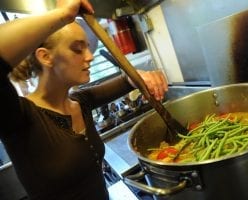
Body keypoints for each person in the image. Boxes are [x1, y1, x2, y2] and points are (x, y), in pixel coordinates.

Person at [0, 0, 168, 199]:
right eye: (77, 49)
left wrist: (142, 77)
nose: (90, 56)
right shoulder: (18, 117)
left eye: (87, 47)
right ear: (45, 56)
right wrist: (61, 15)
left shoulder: (81, 101)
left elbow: (127, 80)